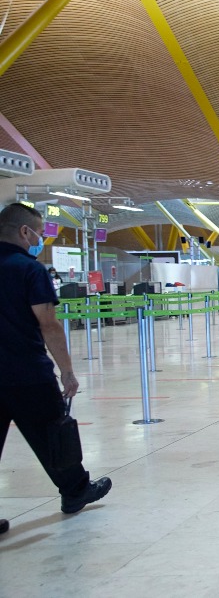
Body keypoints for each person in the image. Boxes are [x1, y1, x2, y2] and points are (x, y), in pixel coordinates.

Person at [0, 203, 112, 535]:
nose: (41, 238)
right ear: (24, 231)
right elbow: (48, 325)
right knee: (53, 432)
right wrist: (67, 371)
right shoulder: (28, 270)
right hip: (26, 372)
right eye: (41, 232)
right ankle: (76, 490)